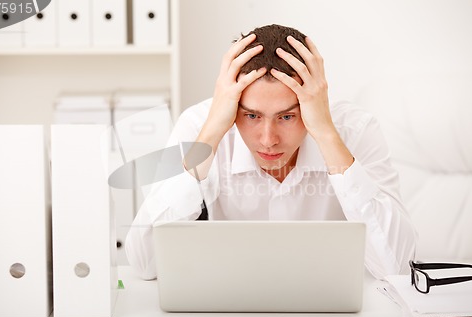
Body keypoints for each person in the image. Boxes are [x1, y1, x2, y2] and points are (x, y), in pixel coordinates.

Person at [125, 24, 417, 281]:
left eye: (287, 117)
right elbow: (143, 263)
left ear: (311, 104)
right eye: (251, 116)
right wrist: (212, 131)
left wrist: (326, 134)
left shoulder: (356, 130)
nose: (268, 140)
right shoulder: (201, 124)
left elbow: (398, 267)